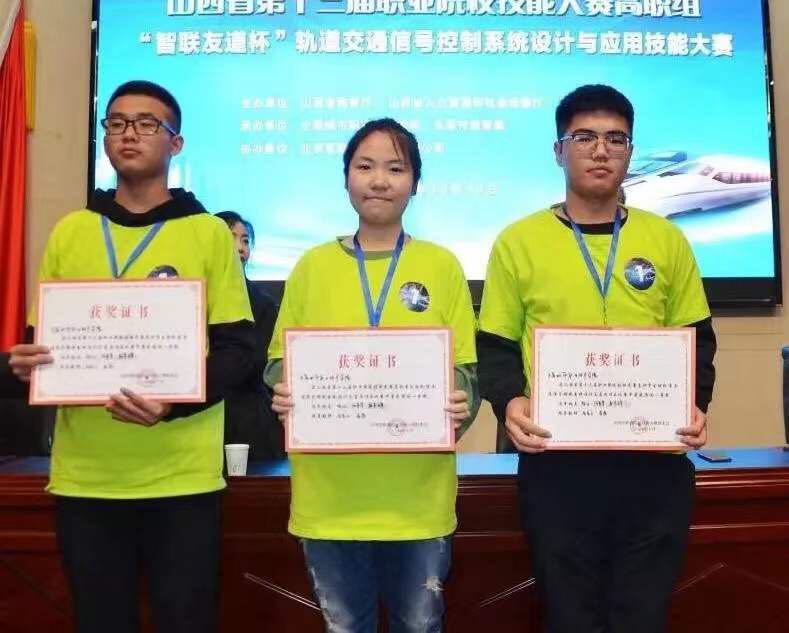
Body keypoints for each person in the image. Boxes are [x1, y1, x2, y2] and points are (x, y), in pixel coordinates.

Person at [1, 80, 258, 633]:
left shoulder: (208, 234)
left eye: (146, 124)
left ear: (175, 143)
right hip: (86, 478)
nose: (128, 134)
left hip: (181, 479)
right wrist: (26, 366)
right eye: (116, 123)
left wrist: (171, 404)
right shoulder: (72, 231)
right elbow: (42, 343)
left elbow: (238, 352)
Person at [477, 84, 716, 633]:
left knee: (643, 616)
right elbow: (495, 347)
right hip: (559, 471)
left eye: (616, 138)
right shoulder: (518, 242)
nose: (601, 150)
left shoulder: (666, 239)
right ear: (559, 151)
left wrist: (695, 404)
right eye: (584, 137)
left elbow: (697, 338)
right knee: (569, 616)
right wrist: (511, 401)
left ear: (631, 151)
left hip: (653, 469)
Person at [267, 118, 479, 632]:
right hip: (329, 499)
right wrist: (284, 390)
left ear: (415, 183)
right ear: (346, 178)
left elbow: (466, 373)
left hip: (418, 501)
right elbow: (277, 363)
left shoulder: (442, 266)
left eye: (395, 168)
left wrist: (460, 402)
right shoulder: (312, 267)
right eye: (365, 167)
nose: (379, 181)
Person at [214, 210, 283, 460]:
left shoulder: (263, 303)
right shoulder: (194, 295)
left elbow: (261, 363)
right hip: (203, 413)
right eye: (231, 237)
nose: (241, 247)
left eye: (245, 240)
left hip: (248, 415)